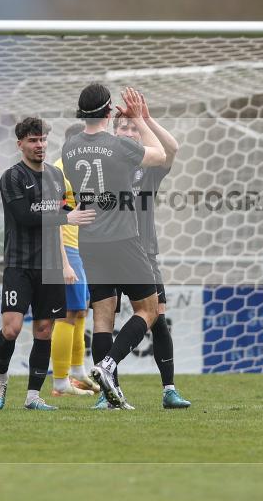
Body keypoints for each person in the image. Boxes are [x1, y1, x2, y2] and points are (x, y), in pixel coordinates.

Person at [61, 84, 167, 409]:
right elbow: (160, 154)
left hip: (89, 243)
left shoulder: (69, 148)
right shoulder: (119, 145)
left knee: (102, 320)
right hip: (123, 240)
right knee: (148, 310)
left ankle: (111, 398)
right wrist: (139, 118)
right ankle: (107, 366)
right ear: (110, 112)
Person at [0, 117, 95, 411]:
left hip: (50, 266)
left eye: (43, 140)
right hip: (19, 264)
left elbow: (66, 212)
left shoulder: (55, 177)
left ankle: (33, 396)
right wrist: (67, 217)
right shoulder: (12, 177)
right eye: (33, 141)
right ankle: (1, 378)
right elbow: (25, 217)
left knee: (45, 330)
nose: (40, 145)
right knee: (10, 329)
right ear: (20, 144)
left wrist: (87, 210)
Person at [99, 108, 191, 409]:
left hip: (144, 252)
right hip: (109, 251)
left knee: (157, 317)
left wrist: (144, 119)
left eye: (132, 128)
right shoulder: (105, 163)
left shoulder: (148, 167)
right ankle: (107, 393)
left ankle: (169, 390)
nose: (127, 132)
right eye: (122, 127)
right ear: (113, 133)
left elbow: (171, 148)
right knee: (104, 320)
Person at [50, 122, 100, 397]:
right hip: (65, 250)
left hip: (80, 250)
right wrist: (64, 263)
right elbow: (54, 220)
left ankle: (77, 371)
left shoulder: (81, 172)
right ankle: (60, 381)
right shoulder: (58, 172)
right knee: (67, 314)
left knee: (80, 311)